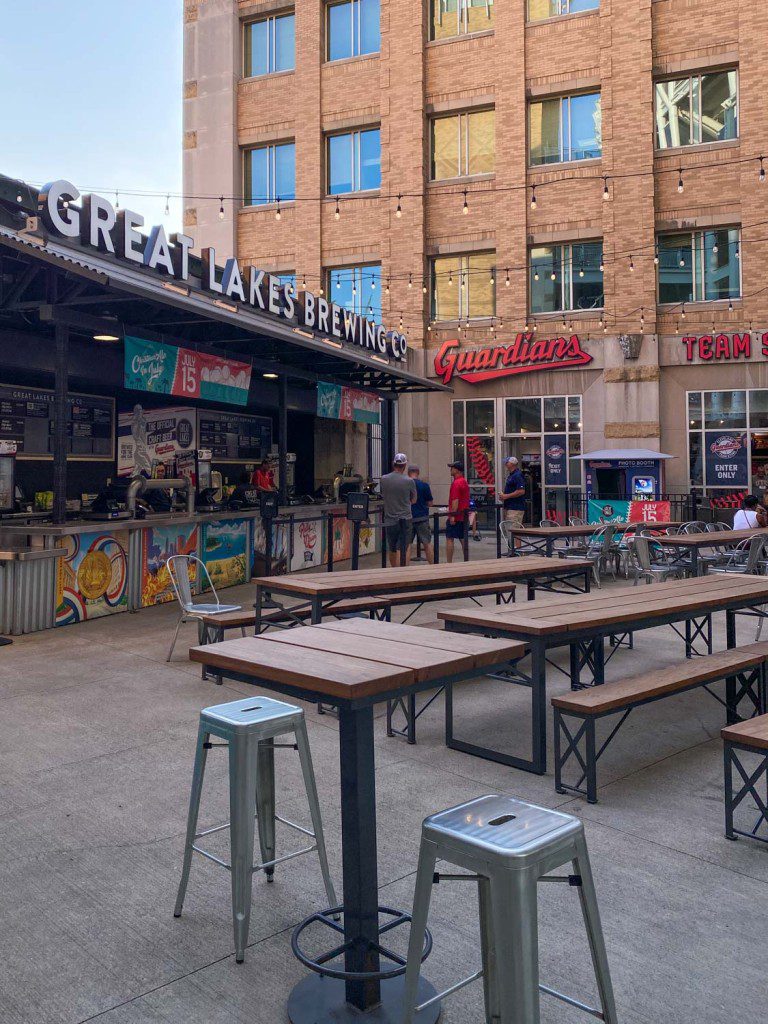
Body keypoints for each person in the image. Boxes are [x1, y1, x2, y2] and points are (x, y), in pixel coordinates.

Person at [380, 453, 417, 566]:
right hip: (405, 518)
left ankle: (393, 571)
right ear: (405, 465)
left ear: (393, 464)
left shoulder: (384, 479)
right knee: (402, 548)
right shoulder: (409, 481)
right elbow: (414, 500)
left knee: (392, 548)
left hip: (389, 518)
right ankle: (401, 573)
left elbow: (383, 494)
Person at [408, 465, 434, 563]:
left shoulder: (405, 485)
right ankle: (433, 567)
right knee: (427, 543)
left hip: (408, 517)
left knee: (407, 545)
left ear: (408, 473)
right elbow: (430, 503)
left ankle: (404, 569)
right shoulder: (424, 486)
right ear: (418, 473)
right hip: (422, 517)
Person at [445, 461, 470, 563]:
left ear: (457, 470)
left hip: (457, 515)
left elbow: (455, 500)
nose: (451, 469)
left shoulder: (456, 483)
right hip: (463, 515)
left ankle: (449, 562)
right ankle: (466, 560)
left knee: (450, 538)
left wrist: (452, 515)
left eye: (452, 468)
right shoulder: (464, 481)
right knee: (463, 538)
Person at [499, 455, 527, 548]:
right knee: (513, 530)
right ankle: (515, 550)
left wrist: (506, 496)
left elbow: (521, 491)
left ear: (512, 464)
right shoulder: (511, 475)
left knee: (514, 530)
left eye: (507, 462)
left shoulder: (517, 475)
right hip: (510, 506)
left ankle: (516, 551)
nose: (505, 464)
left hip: (515, 508)